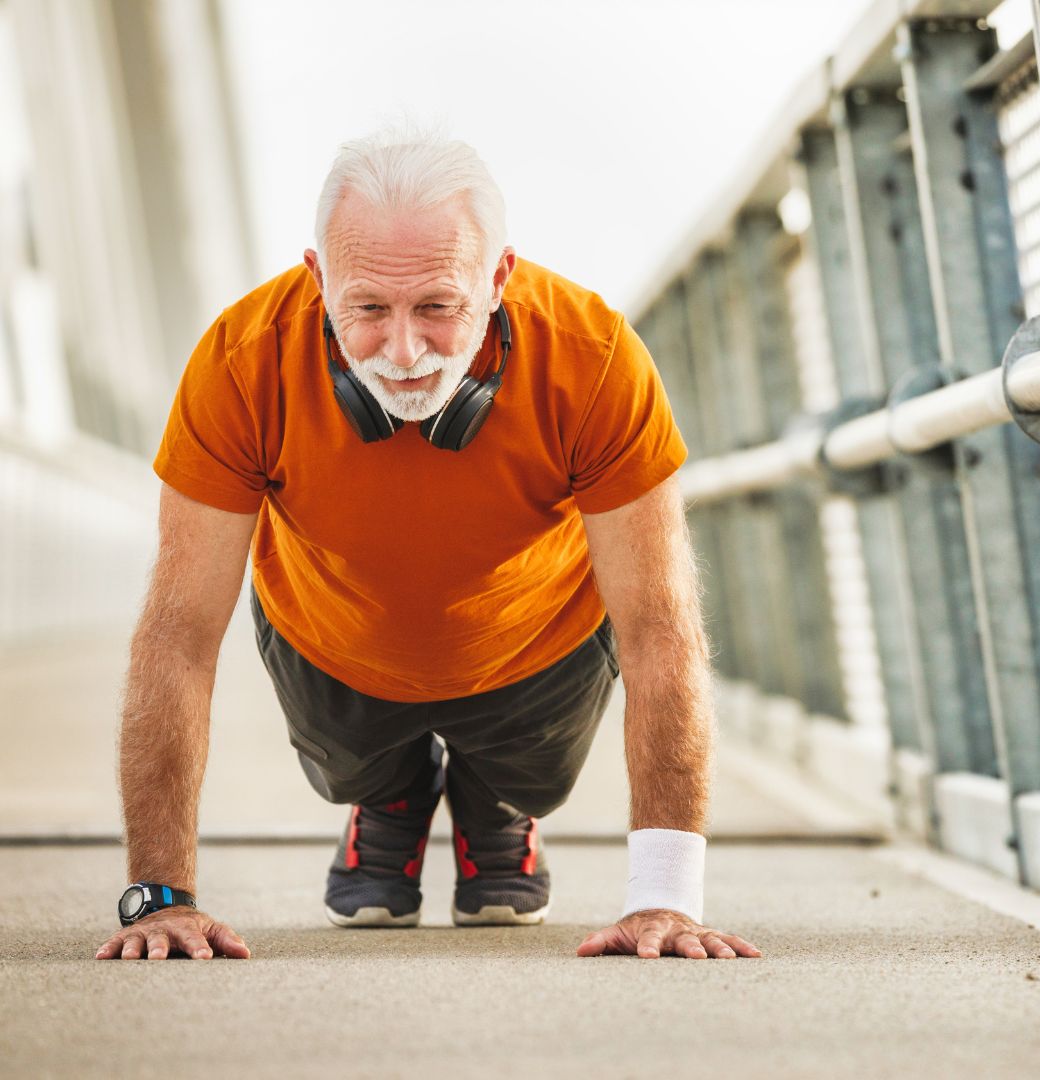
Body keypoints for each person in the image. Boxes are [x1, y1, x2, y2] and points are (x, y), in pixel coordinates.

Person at [95, 129, 761, 964]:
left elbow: (662, 625)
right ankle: (387, 796)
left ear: (499, 280)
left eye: (440, 307)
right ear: (317, 279)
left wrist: (666, 898)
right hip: (331, 640)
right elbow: (179, 635)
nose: (404, 353)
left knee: (532, 777)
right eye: (366, 309)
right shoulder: (240, 361)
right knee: (356, 769)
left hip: (536, 646)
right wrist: (158, 899)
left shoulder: (594, 361)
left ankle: (497, 800)